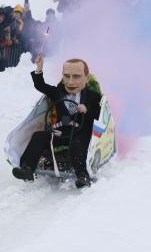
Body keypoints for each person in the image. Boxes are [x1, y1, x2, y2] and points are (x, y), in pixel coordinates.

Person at [12, 55, 102, 189]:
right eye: (67, 76)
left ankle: (82, 175)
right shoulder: (57, 92)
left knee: (77, 144)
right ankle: (27, 169)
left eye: (76, 77)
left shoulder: (93, 96)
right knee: (39, 136)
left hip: (82, 134)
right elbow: (40, 85)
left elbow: (99, 116)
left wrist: (86, 110)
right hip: (61, 132)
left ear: (86, 78)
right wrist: (39, 68)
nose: (70, 82)